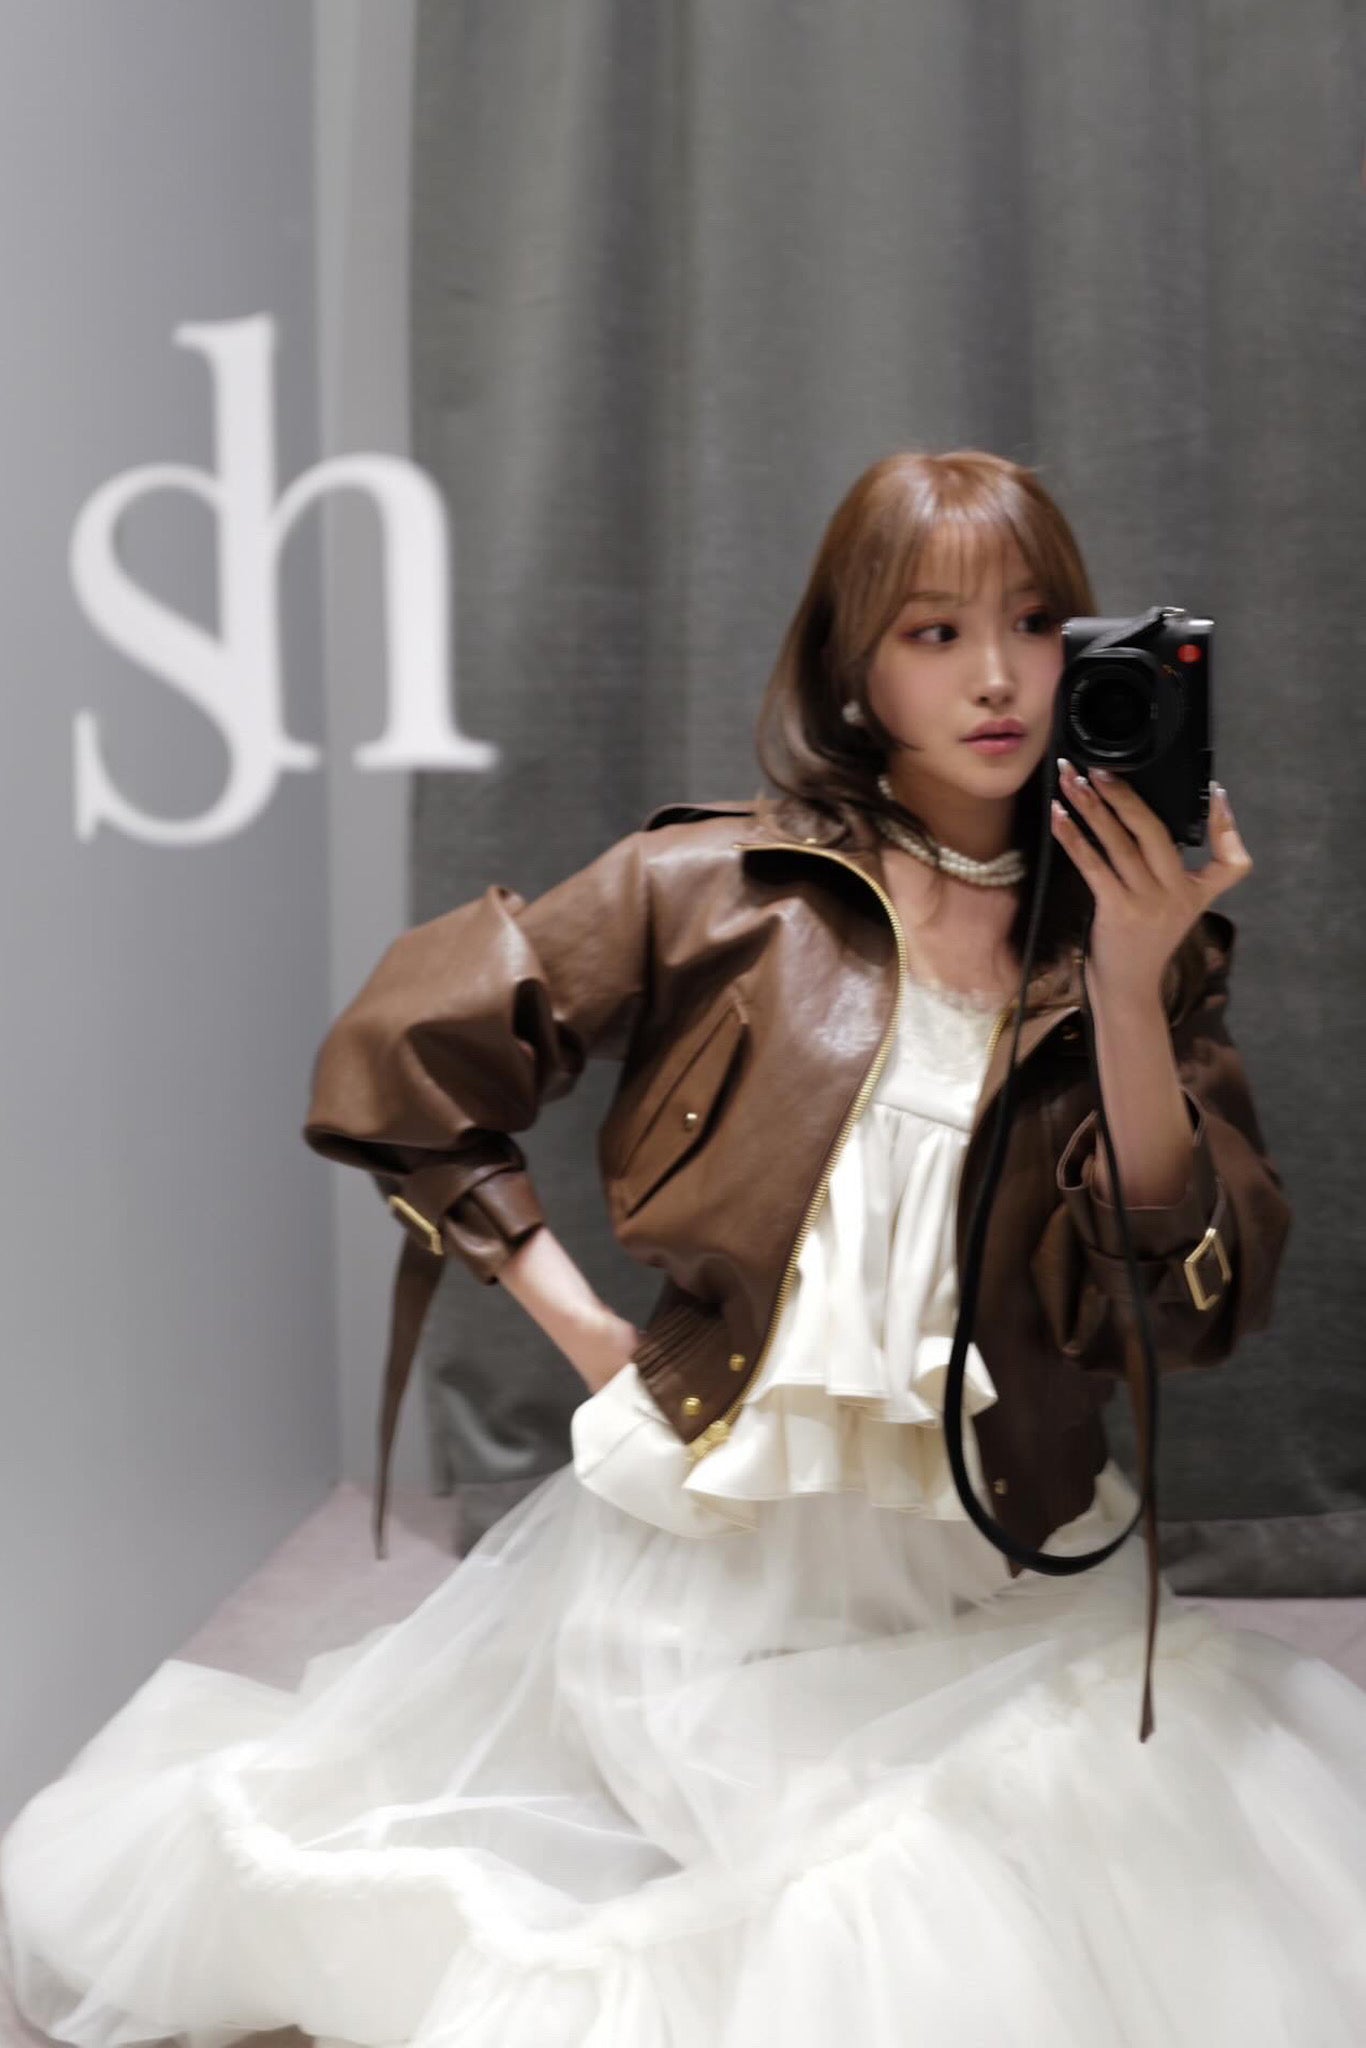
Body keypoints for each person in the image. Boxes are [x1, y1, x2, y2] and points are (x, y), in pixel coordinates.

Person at [4, 448, 1363, 2046]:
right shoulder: (712, 887)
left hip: (1000, 1542)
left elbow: (1177, 1306)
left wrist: (1130, 981)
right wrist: (589, 1335)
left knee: (1130, 1852)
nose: (996, 677)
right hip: (719, 1558)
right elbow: (405, 1067)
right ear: (851, 670)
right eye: (931, 633)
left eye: (1032, 622)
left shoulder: (1134, 933)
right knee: (854, 1914)